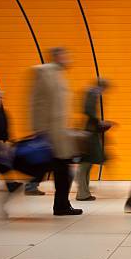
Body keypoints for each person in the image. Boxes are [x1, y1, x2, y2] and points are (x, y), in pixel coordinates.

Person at [31, 47, 82, 216]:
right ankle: (61, 205)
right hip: (50, 134)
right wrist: (39, 130)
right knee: (59, 171)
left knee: (63, 172)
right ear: (58, 56)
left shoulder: (60, 75)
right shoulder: (43, 72)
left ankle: (62, 205)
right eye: (66, 55)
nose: (69, 58)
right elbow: (35, 103)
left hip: (60, 134)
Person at [75, 78, 112, 201]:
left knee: (87, 163)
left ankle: (84, 190)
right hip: (89, 133)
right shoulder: (93, 92)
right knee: (86, 163)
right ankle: (82, 193)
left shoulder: (91, 92)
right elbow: (88, 111)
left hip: (89, 131)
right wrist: (99, 122)